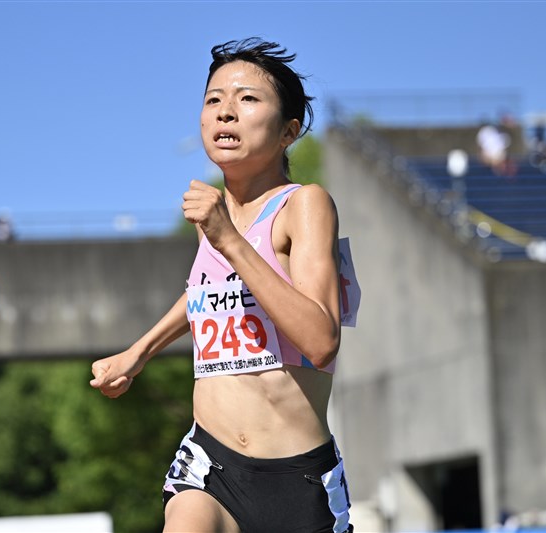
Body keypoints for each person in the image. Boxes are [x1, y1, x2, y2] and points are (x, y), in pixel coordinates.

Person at [90, 38, 352, 533]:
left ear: (289, 132)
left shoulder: (305, 205)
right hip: (210, 467)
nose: (225, 112)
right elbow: (205, 294)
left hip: (297, 479)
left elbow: (321, 341)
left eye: (248, 99)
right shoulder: (215, 218)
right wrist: (139, 352)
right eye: (213, 100)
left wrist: (228, 238)